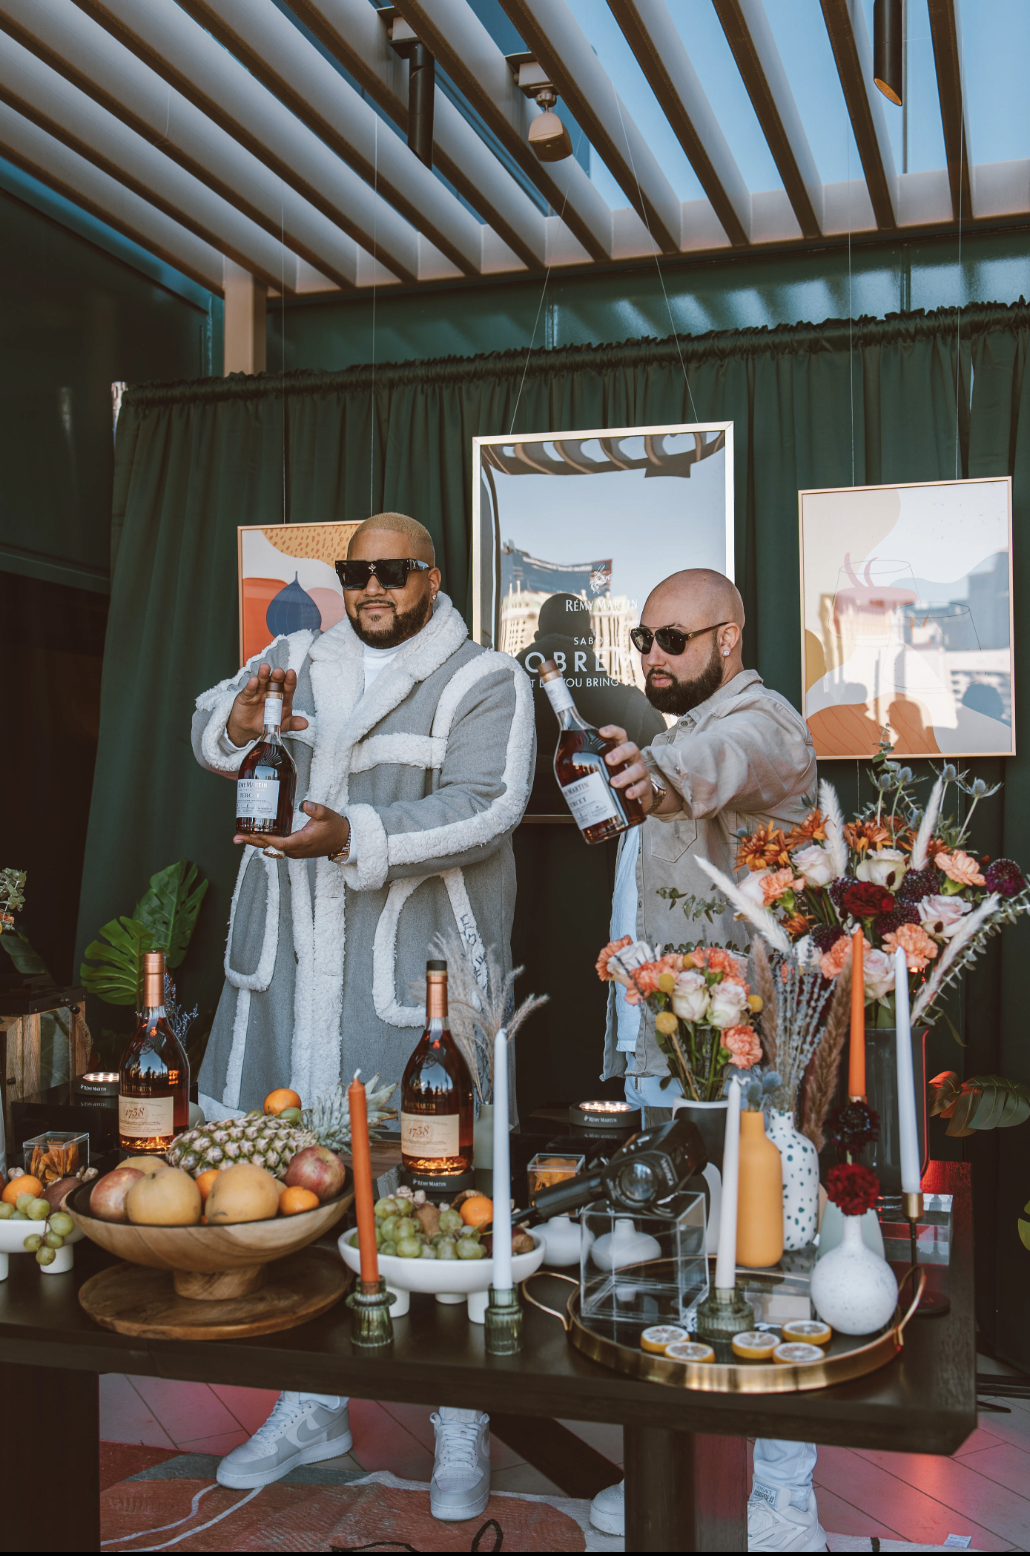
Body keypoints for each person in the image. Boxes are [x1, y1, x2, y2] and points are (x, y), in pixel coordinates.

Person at [190, 512, 534, 1522]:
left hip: (410, 980)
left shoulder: (484, 678)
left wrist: (357, 833)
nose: (372, 587)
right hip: (289, 977)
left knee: (437, 1201)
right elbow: (213, 727)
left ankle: (461, 1420)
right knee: (294, 1198)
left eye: (393, 570)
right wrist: (238, 724)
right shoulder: (299, 655)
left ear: (431, 575)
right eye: (356, 572)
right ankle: (310, 1407)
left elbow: (489, 804)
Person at [583, 568, 826, 1553]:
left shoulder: (763, 723)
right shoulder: (675, 734)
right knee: (679, 1260)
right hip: (673, 1048)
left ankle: (787, 1501)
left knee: (772, 1265)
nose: (652, 655)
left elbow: (726, 763)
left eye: (673, 638)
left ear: (727, 639)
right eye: (642, 637)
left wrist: (660, 778)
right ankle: (675, 1480)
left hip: (750, 1059)